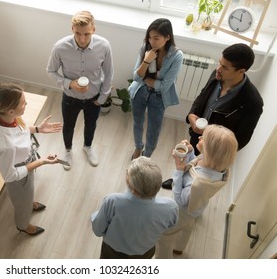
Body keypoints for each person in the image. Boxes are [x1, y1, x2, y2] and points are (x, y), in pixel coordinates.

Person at [162, 43, 263, 190]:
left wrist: (212, 140)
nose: (219, 69)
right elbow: (202, 97)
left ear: (241, 71)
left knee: (198, 184)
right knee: (190, 161)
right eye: (219, 63)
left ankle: (188, 189)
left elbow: (241, 139)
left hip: (213, 152)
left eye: (225, 67)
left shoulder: (252, 102)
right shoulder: (217, 75)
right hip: (198, 137)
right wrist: (191, 115)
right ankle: (179, 181)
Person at [0, 83, 63, 236]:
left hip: (26, 163)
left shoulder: (8, 118)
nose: (26, 104)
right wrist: (41, 161)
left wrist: (37, 129)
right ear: (10, 110)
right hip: (18, 177)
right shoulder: (6, 146)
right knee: (22, 203)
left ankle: (29, 202)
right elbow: (10, 176)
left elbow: (19, 131)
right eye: (23, 103)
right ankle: (23, 225)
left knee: (28, 193)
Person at [155, 124, 238, 258]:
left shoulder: (198, 183)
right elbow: (196, 163)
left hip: (182, 210)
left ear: (209, 151)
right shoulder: (217, 167)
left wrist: (179, 169)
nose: (199, 137)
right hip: (196, 207)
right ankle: (179, 247)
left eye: (203, 138)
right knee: (187, 227)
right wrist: (190, 153)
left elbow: (180, 200)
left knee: (164, 235)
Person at [46, 10, 114, 170]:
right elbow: (50, 71)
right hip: (70, 98)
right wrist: (69, 83)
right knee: (68, 126)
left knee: (91, 125)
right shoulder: (60, 47)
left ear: (94, 30)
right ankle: (68, 150)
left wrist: (103, 98)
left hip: (94, 98)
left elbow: (109, 72)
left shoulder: (104, 46)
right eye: (78, 33)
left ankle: (88, 147)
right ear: (72, 29)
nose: (82, 39)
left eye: (87, 34)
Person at [91, 156, 178, 259]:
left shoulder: (113, 201)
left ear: (130, 185)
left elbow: (98, 230)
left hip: (112, 253)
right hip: (145, 253)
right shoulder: (170, 207)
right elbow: (170, 226)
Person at [128, 18, 183, 159]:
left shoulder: (176, 56)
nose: (152, 42)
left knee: (154, 130)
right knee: (137, 122)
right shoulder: (144, 48)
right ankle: (138, 147)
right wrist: (147, 60)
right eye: (150, 38)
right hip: (140, 91)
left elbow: (164, 86)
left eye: (156, 38)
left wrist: (145, 78)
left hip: (159, 97)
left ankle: (146, 156)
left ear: (167, 37)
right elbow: (135, 77)